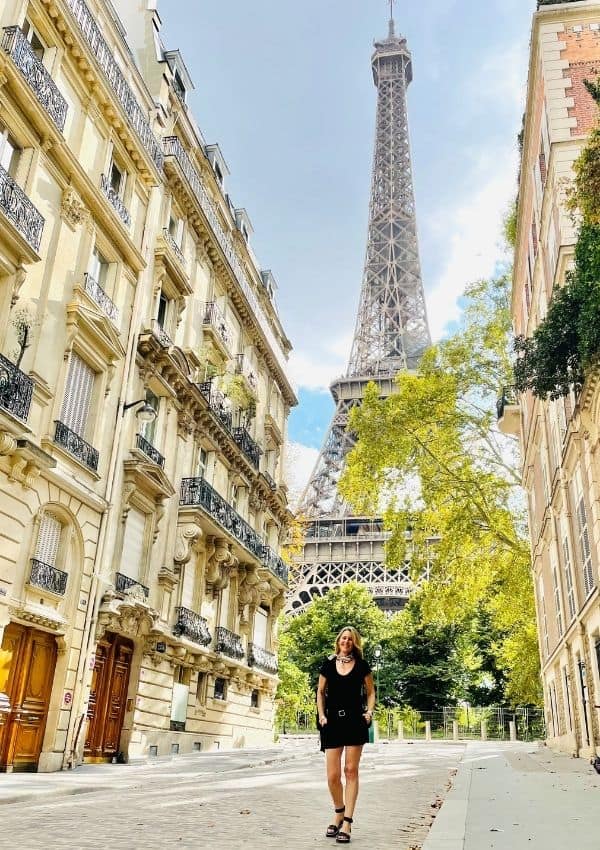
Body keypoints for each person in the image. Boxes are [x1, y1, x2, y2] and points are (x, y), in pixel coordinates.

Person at [316, 626, 376, 843]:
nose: (346, 641)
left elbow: (371, 692)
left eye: (350, 639)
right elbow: (320, 692)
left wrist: (369, 712)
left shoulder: (362, 666)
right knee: (332, 775)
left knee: (350, 770)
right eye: (343, 638)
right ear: (338, 641)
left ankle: (347, 822)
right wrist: (321, 715)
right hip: (332, 722)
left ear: (355, 642)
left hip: (354, 722)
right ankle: (338, 810)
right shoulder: (328, 665)